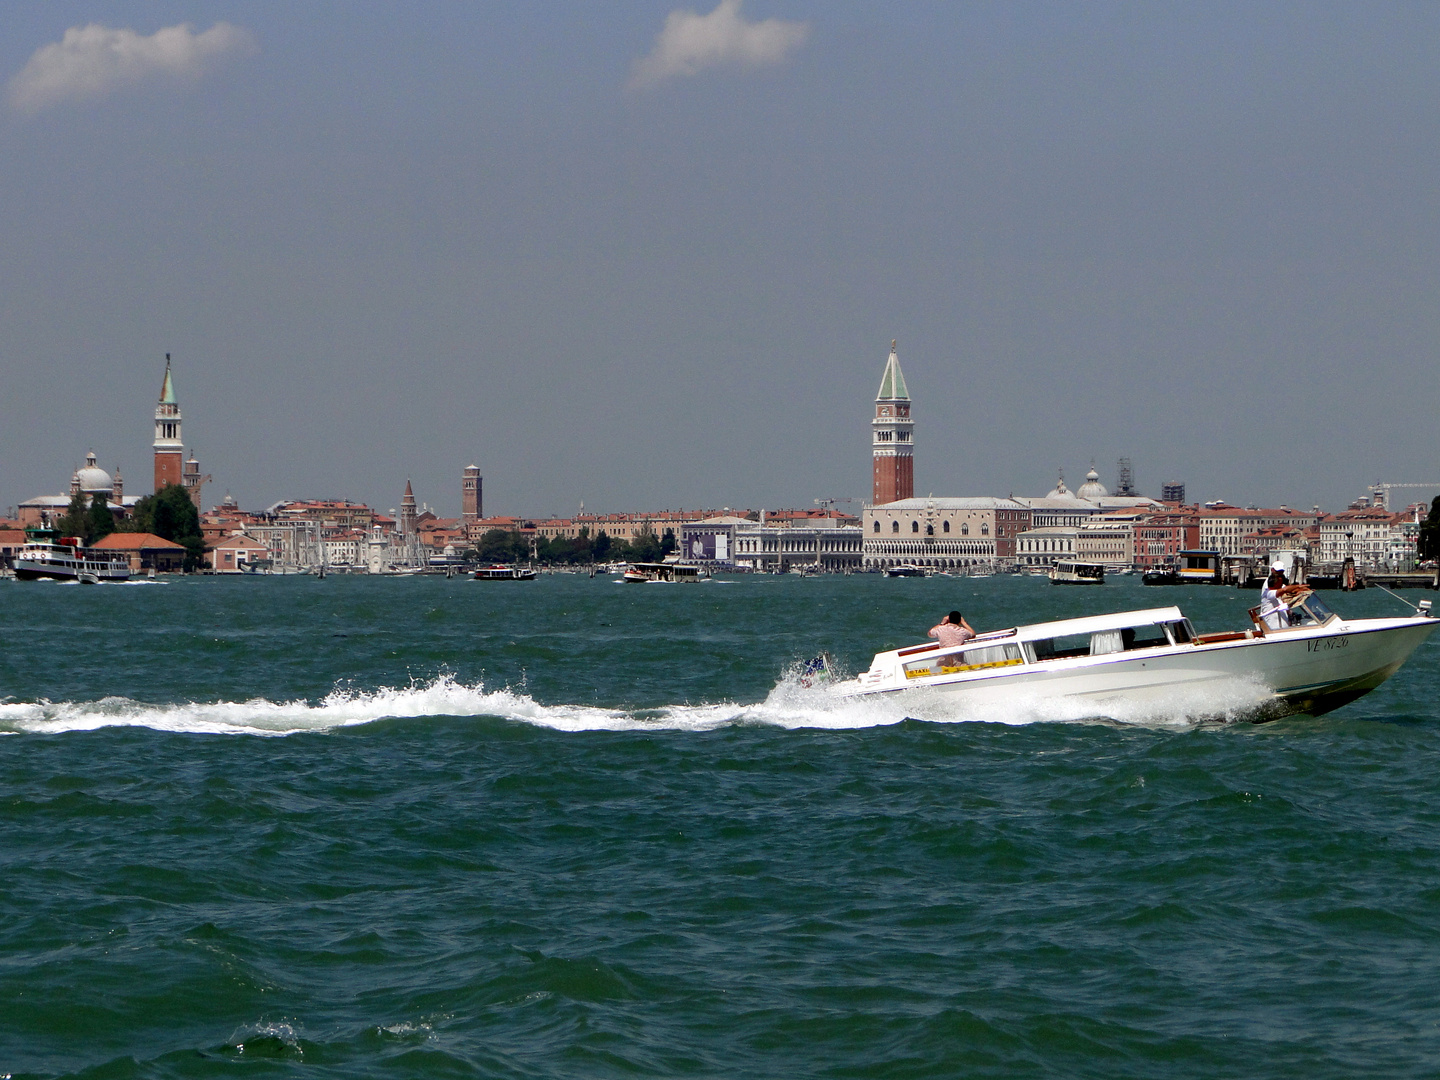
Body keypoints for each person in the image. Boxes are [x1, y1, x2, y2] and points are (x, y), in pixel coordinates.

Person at [1257, 562, 1306, 631]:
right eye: (1278, 571)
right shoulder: (1269, 589)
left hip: (1282, 624)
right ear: (1272, 570)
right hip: (1273, 626)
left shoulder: (1279, 583)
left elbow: (1286, 590)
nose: (1280, 573)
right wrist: (1299, 586)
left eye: (1281, 572)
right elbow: (1284, 590)